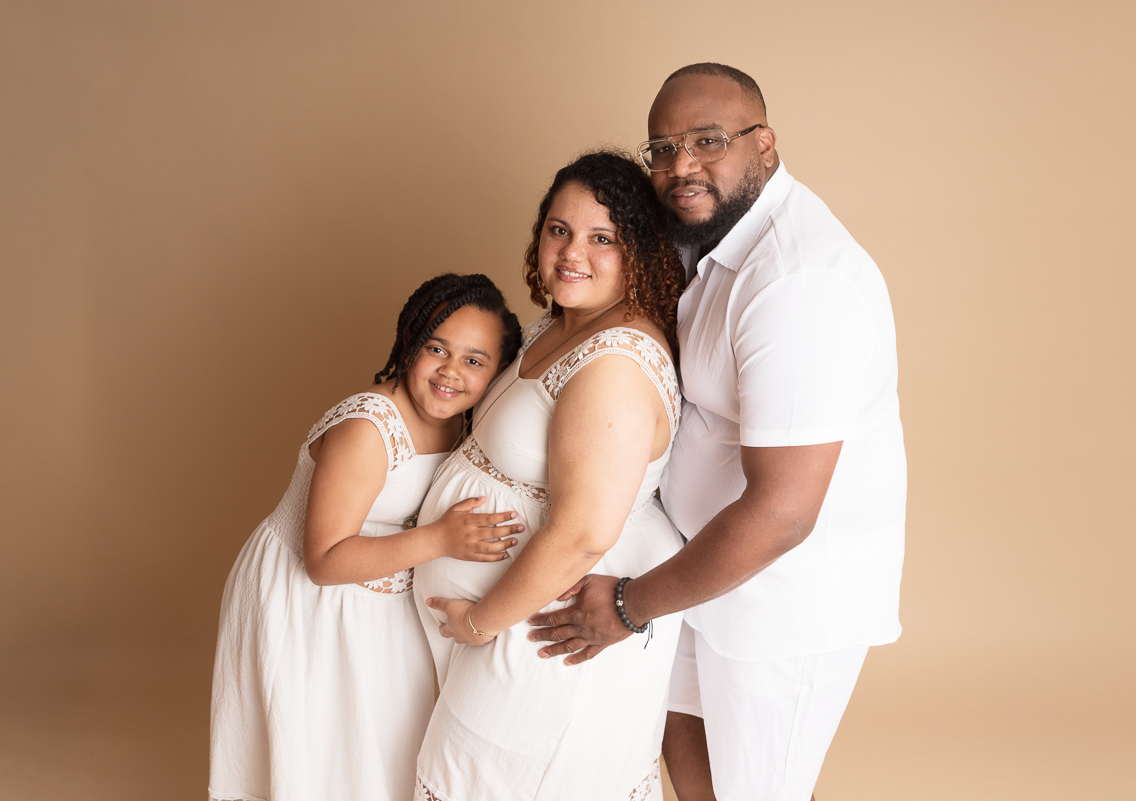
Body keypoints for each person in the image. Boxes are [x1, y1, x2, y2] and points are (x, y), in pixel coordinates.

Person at [528, 63, 908, 801]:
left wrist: (633, 603)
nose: (680, 166)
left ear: (765, 144)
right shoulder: (707, 237)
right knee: (684, 754)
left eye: (707, 140)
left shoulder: (798, 282)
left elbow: (784, 511)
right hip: (701, 575)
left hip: (782, 601)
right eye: (662, 148)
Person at [412, 151, 688, 801]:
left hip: (539, 634)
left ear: (640, 254)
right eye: (559, 229)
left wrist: (481, 622)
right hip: (509, 625)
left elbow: (583, 534)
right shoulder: (563, 325)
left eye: (603, 239)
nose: (572, 252)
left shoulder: (613, 365)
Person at [209, 274, 524, 801]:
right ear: (408, 343)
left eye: (474, 360)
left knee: (374, 755)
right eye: (436, 348)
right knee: (314, 755)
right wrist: (443, 540)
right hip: (305, 597)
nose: (451, 371)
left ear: (496, 374)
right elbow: (325, 560)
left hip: (378, 593)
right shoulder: (369, 426)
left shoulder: (460, 423)